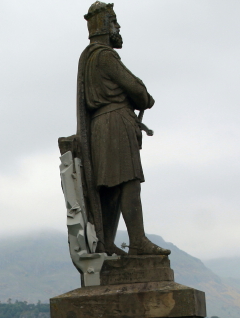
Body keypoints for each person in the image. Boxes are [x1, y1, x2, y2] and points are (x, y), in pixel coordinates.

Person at [62, 2, 169, 256]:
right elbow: (137, 91)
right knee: (129, 182)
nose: (118, 27)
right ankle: (138, 241)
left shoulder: (88, 58)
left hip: (101, 128)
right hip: (115, 124)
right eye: (115, 22)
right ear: (106, 26)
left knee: (110, 187)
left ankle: (106, 241)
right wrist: (142, 94)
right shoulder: (105, 55)